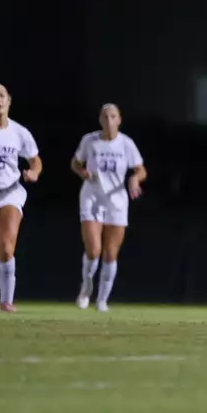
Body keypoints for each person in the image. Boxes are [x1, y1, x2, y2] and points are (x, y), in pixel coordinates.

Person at [0, 83, 42, 312]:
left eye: (2, 95)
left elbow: (35, 159)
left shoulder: (19, 132)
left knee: (5, 246)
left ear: (9, 100)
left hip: (9, 193)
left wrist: (33, 172)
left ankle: (6, 301)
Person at [73, 103, 146, 312]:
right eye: (105, 117)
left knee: (110, 253)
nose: (109, 121)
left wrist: (134, 179)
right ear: (100, 120)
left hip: (116, 200)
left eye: (113, 116)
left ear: (119, 120)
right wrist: (82, 172)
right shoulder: (90, 140)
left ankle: (102, 300)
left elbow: (141, 170)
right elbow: (75, 163)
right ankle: (86, 289)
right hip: (92, 197)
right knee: (93, 250)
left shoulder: (126, 144)